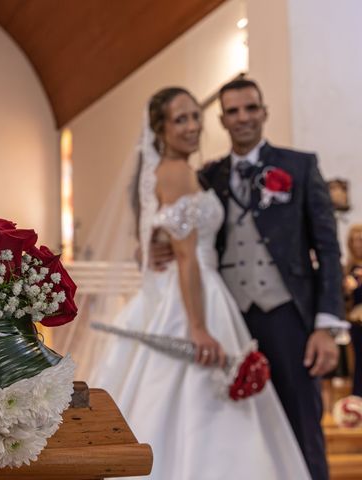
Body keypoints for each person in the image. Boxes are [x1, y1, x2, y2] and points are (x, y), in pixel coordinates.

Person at [92, 87, 310, 479]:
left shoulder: (188, 171)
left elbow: (166, 237)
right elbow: (188, 255)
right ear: (160, 128)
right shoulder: (176, 173)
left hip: (198, 289)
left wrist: (151, 248)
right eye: (181, 119)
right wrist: (197, 327)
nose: (192, 126)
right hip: (194, 297)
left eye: (196, 116)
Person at [149, 79, 346, 480]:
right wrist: (156, 246)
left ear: (263, 112)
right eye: (233, 111)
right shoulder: (207, 175)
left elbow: (328, 250)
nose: (243, 118)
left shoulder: (300, 165)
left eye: (250, 108)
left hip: (288, 317)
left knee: (301, 427)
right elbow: (183, 229)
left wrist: (326, 325)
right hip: (231, 319)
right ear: (221, 119)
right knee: (243, 431)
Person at [344, 224, 362, 397]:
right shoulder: (347, 269)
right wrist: (347, 290)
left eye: (361, 240)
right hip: (357, 323)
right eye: (355, 241)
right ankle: (358, 398)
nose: (358, 244)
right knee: (358, 361)